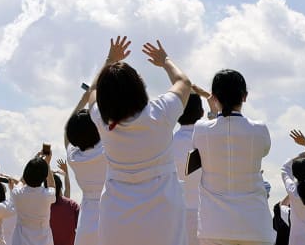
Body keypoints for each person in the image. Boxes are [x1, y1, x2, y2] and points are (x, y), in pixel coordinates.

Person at [88, 36, 192, 245]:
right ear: (138, 86)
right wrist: (165, 60)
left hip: (115, 214)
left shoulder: (102, 121)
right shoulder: (160, 113)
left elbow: (92, 92)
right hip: (163, 212)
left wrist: (110, 60)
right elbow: (184, 82)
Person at [190, 68, 275, 245]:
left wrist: (213, 113)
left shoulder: (200, 129)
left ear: (214, 97)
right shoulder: (259, 129)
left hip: (214, 226)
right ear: (244, 96)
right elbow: (264, 150)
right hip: (255, 225)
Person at [63, 84, 105, 245]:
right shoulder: (109, 148)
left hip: (87, 220)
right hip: (113, 209)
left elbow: (67, 131)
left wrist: (83, 100)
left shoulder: (73, 157)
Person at [173, 92, 206, 244]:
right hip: (206, 216)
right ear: (202, 112)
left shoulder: (167, 143)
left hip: (176, 216)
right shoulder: (207, 141)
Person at [11, 155, 56, 245]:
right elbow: (52, 186)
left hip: (20, 241)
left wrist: (33, 162)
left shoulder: (17, 193)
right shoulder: (47, 195)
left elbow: (21, 182)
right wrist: (47, 164)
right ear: (44, 176)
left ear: (26, 173)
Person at [49, 167, 79, 245]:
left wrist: (48, 175)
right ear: (60, 187)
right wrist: (66, 173)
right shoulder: (70, 205)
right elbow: (68, 188)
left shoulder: (43, 207)